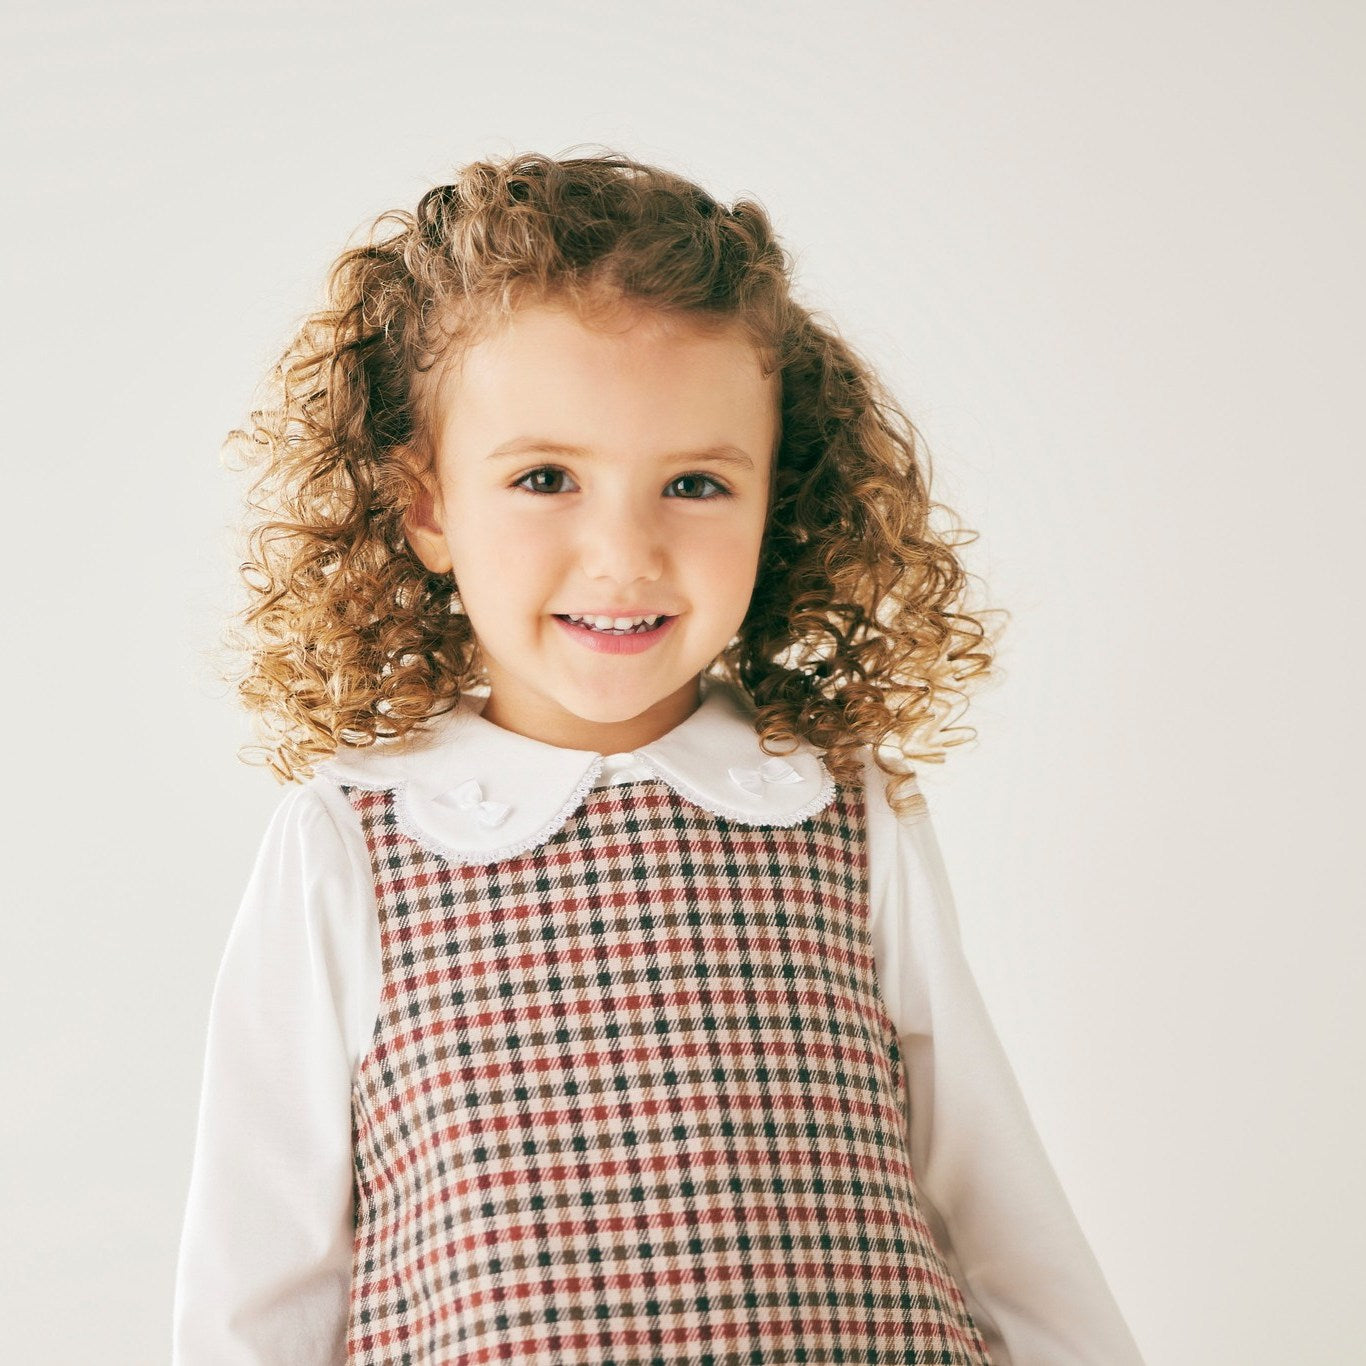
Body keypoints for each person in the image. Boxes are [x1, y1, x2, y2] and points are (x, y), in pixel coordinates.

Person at [172, 149, 1145, 1365]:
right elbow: (260, 1274)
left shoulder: (836, 808)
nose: (623, 555)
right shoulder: (359, 838)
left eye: (692, 483)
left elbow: (990, 1197)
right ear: (427, 507)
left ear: (774, 500)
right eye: (545, 479)